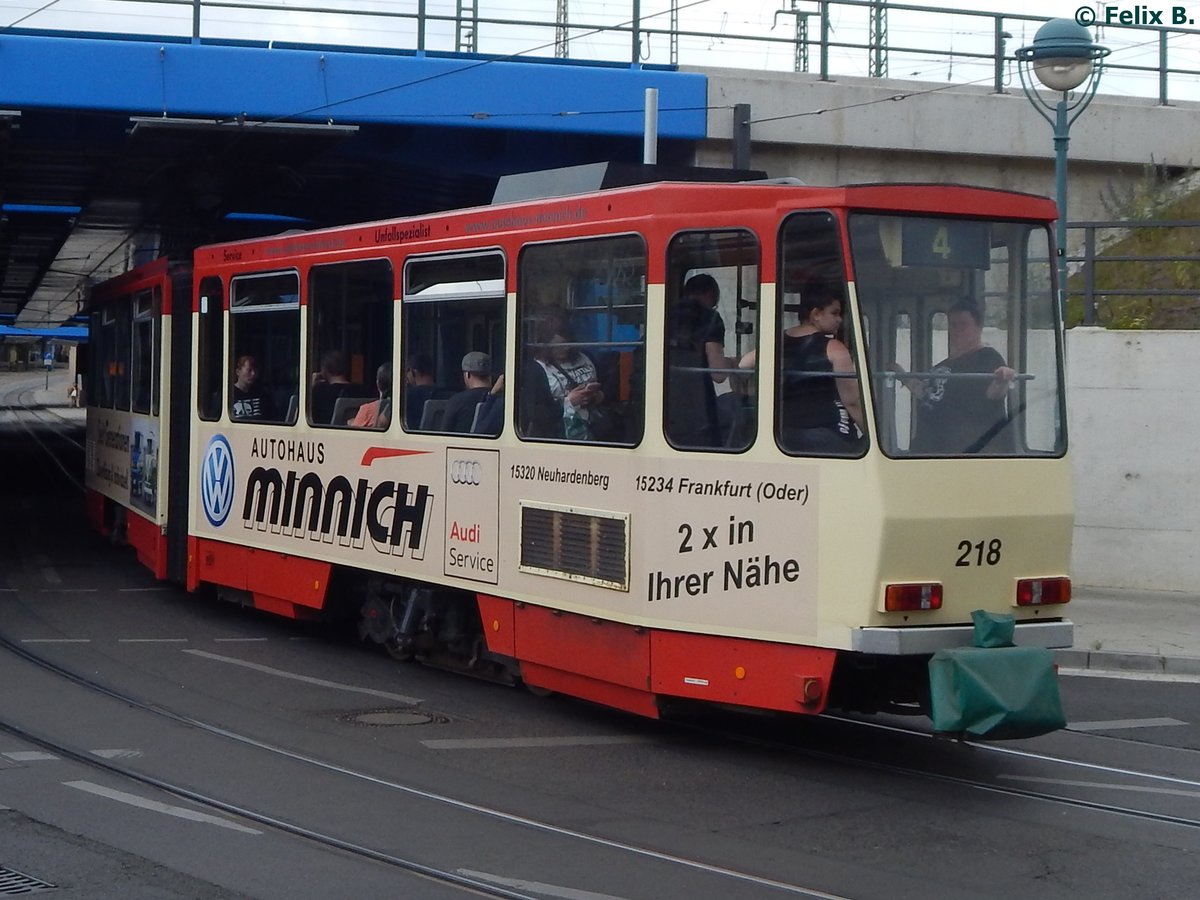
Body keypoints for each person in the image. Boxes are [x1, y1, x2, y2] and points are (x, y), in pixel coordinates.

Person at [742, 286, 864, 452]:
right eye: (834, 313)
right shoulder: (834, 347)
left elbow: (744, 364)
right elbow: (852, 401)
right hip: (827, 432)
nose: (840, 319)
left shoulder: (777, 342)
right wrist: (870, 434)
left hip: (785, 433)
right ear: (816, 314)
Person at [892, 300, 1016, 453]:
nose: (957, 330)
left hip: (962, 453)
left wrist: (1002, 380)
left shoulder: (988, 357)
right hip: (930, 449)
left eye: (963, 325)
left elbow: (994, 394)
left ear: (978, 327)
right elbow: (926, 392)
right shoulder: (944, 364)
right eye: (953, 325)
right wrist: (901, 374)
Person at [665, 273, 734, 447]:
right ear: (710, 295)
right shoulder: (709, 317)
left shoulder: (664, 314)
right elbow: (718, 373)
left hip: (661, 401)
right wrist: (734, 363)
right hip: (695, 405)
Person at [530, 310, 604, 440]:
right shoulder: (537, 369)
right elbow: (536, 412)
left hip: (591, 424)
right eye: (559, 346)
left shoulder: (585, 357)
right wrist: (569, 402)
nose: (565, 349)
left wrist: (597, 396)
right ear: (547, 346)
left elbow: (607, 386)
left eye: (568, 345)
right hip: (560, 431)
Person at [442, 351, 495, 433]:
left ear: (467, 374)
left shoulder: (457, 401)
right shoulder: (499, 400)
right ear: (489, 374)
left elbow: (444, 433)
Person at [403, 353, 450, 430]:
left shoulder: (407, 396)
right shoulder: (446, 394)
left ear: (414, 372)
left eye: (407, 371)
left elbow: (383, 421)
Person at [310, 349, 355, 424]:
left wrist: (311, 386)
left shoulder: (319, 391)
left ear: (324, 369)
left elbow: (299, 414)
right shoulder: (360, 390)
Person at [231, 354, 274, 420]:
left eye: (255, 370)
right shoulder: (228, 395)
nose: (253, 373)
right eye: (249, 370)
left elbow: (273, 417)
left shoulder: (262, 395)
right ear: (238, 372)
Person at [349, 362, 391, 428]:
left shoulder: (367, 409)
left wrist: (351, 423)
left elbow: (354, 432)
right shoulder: (403, 408)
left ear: (378, 383)